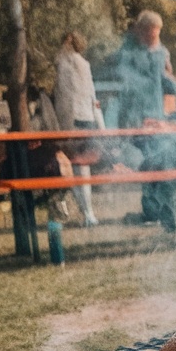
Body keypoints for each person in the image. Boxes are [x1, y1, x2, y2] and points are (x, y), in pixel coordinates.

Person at [110, 10, 176, 232]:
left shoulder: (161, 52)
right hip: (134, 119)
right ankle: (152, 209)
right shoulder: (128, 52)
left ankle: (162, 213)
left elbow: (167, 79)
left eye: (157, 34)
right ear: (142, 31)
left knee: (162, 160)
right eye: (150, 33)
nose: (153, 38)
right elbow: (123, 79)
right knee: (149, 163)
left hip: (156, 118)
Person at [53, 32, 100, 227]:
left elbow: (64, 99)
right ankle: (88, 212)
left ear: (67, 42)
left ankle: (86, 212)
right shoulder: (85, 64)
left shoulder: (62, 64)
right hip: (87, 119)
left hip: (71, 121)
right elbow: (92, 96)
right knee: (83, 167)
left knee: (72, 166)